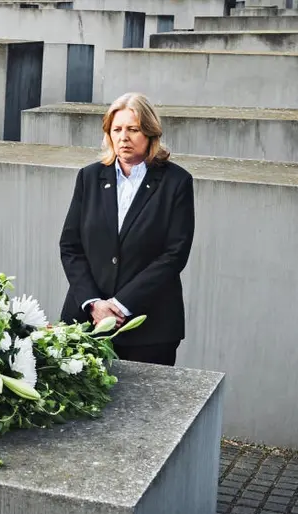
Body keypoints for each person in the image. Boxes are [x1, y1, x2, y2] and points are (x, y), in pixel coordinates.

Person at [58, 92, 195, 366]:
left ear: (150, 133)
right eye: (116, 129)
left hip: (150, 328)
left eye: (133, 129)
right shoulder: (89, 177)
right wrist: (95, 303)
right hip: (87, 322)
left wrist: (120, 306)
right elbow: (70, 247)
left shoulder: (176, 182)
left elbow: (174, 255)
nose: (123, 137)